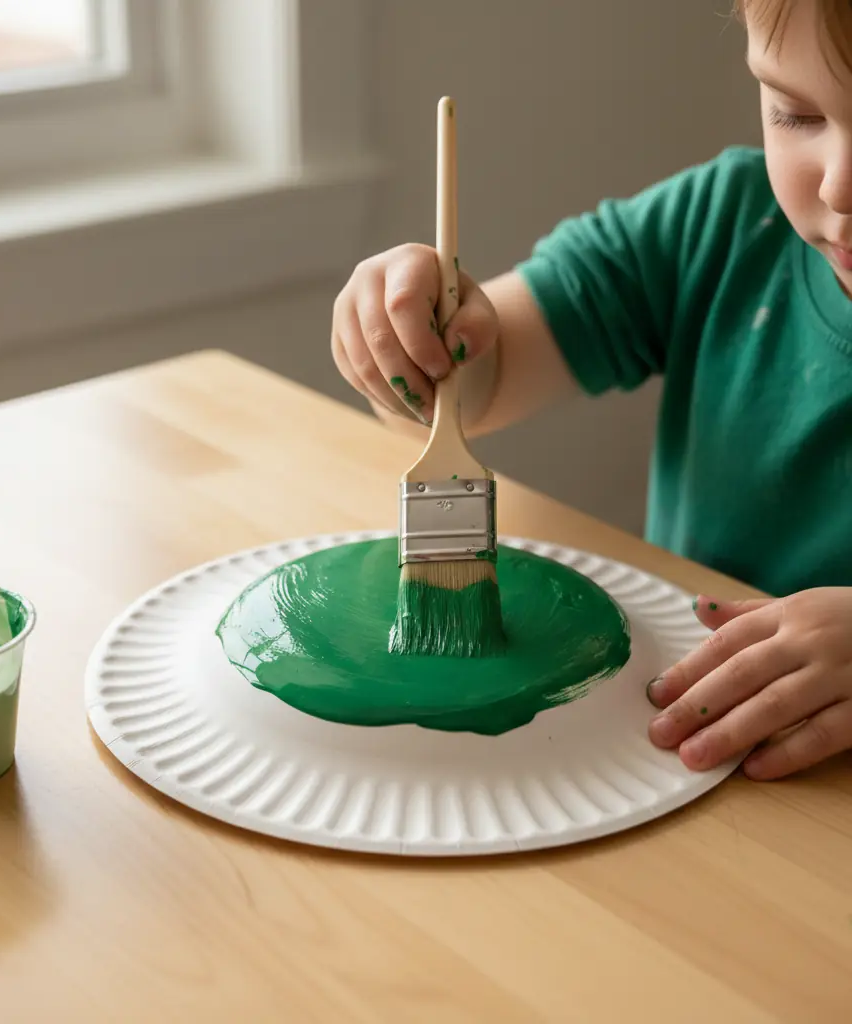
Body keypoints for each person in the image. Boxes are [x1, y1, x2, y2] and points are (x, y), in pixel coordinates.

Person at [330, 0, 852, 781]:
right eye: (797, 114)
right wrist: (415, 336)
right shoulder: (720, 224)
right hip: (679, 774)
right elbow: (487, 379)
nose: (839, 188)